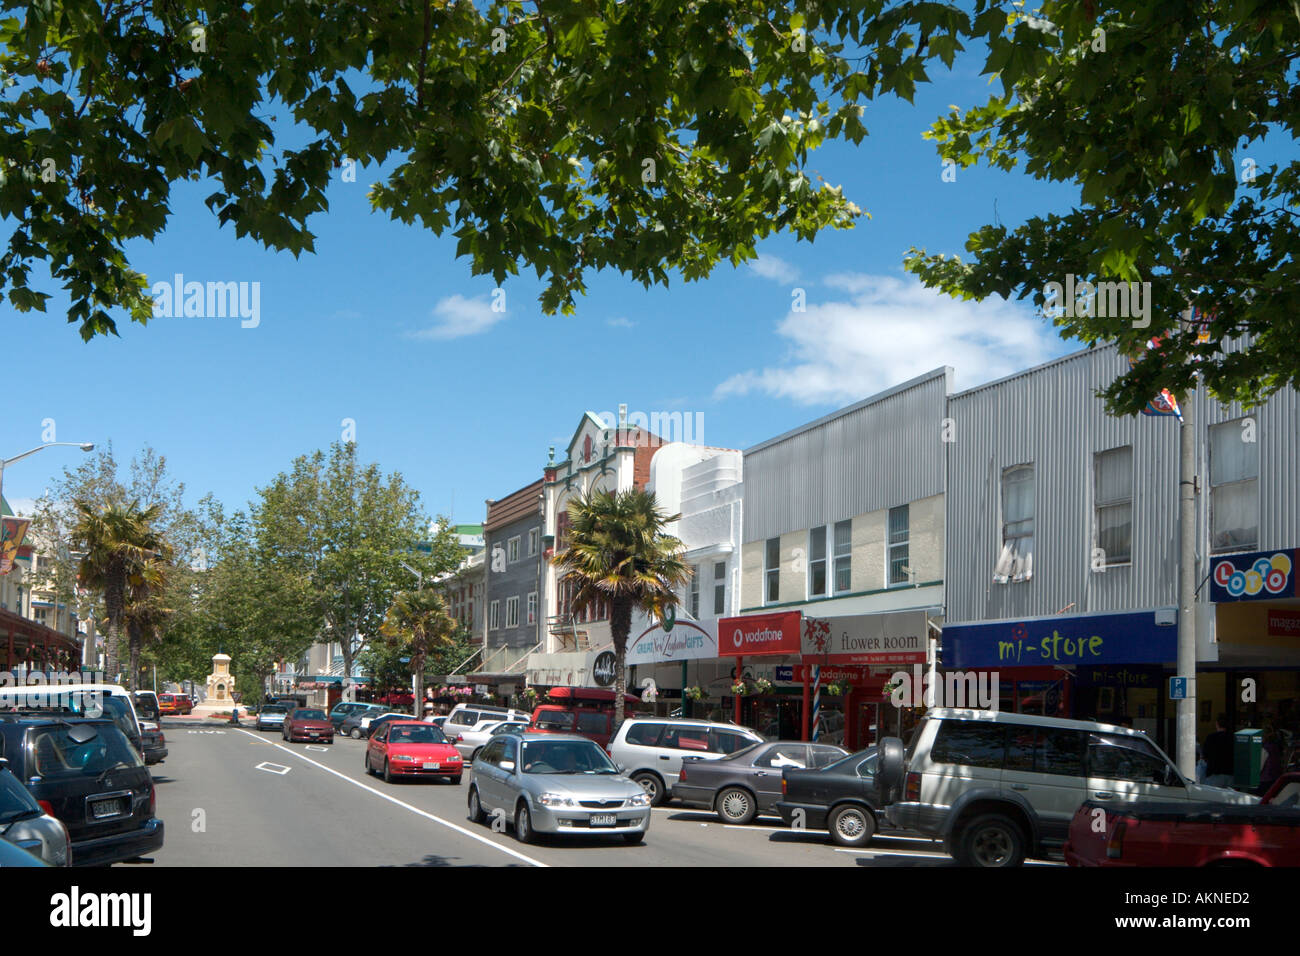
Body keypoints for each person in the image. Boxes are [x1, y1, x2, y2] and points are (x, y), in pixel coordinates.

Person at [1203, 714, 1235, 789]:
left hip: (1214, 773)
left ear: (1217, 724)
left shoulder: (1211, 738)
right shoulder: (1234, 737)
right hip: (1231, 774)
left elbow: (1205, 754)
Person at [1259, 720, 1283, 796]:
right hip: (1274, 779)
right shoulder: (1274, 746)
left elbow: (1259, 767)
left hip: (1264, 780)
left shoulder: (1264, 748)